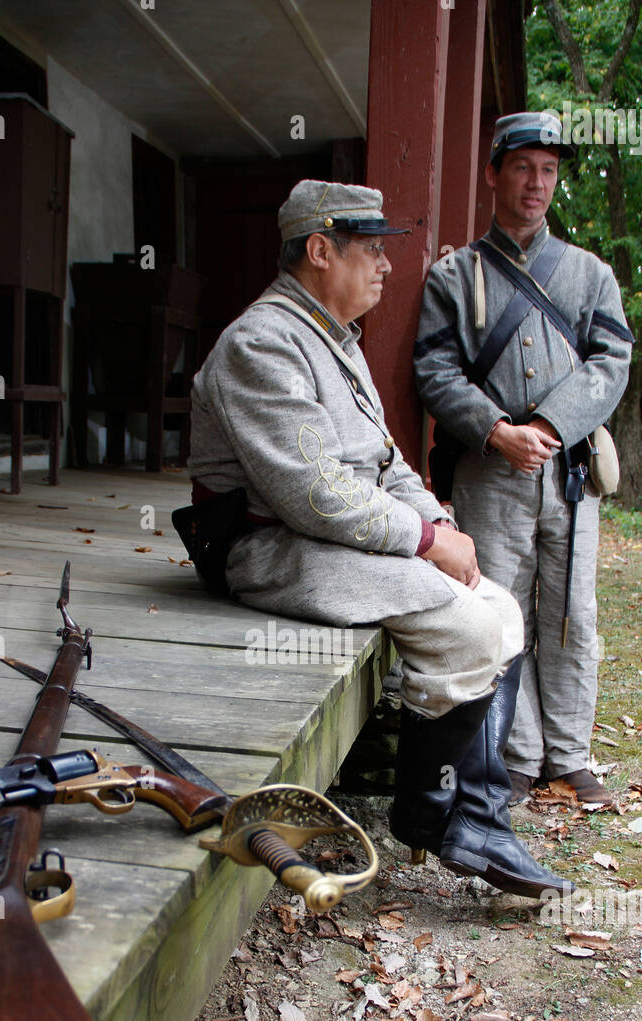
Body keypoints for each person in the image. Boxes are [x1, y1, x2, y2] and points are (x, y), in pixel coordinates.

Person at [186, 178, 571, 898]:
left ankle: (477, 815)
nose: (387, 264)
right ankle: (433, 817)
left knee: (502, 611)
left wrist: (443, 524)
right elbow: (316, 494)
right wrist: (427, 541)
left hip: (329, 538)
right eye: (370, 249)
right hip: (265, 548)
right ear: (320, 251)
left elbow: (387, 462)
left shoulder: (335, 340)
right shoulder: (261, 343)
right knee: (465, 629)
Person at [414, 113, 634, 807]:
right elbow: (436, 369)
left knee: (572, 612)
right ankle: (515, 753)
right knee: (499, 612)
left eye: (548, 170)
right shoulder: (454, 275)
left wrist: (547, 424)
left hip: (569, 476)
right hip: (489, 471)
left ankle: (568, 754)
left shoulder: (590, 275)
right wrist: (496, 430)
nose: (536, 183)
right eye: (522, 168)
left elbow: (612, 362)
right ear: (493, 174)